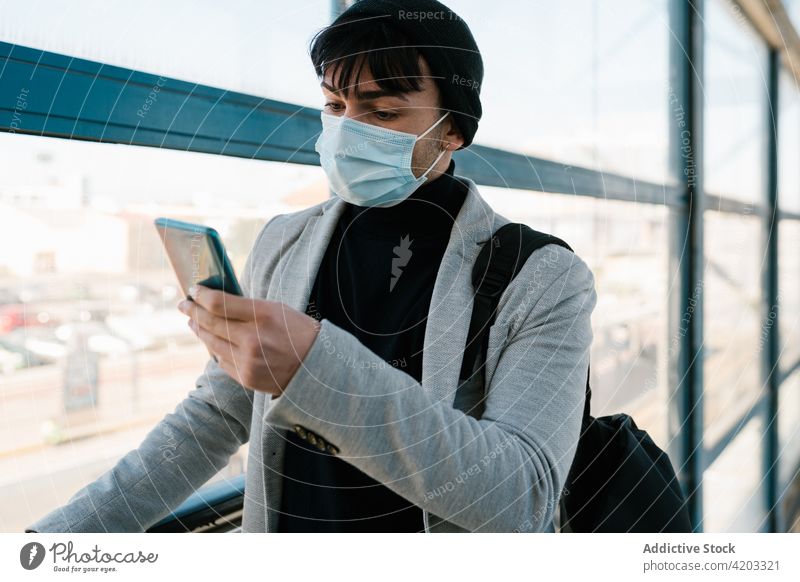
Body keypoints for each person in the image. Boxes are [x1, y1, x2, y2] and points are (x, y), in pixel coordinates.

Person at [26, 0, 596, 533]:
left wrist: (312, 369)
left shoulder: (541, 277)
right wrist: (55, 540)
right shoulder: (284, 241)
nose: (348, 129)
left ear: (452, 130)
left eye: (384, 111)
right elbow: (215, 417)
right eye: (335, 105)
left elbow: (523, 497)